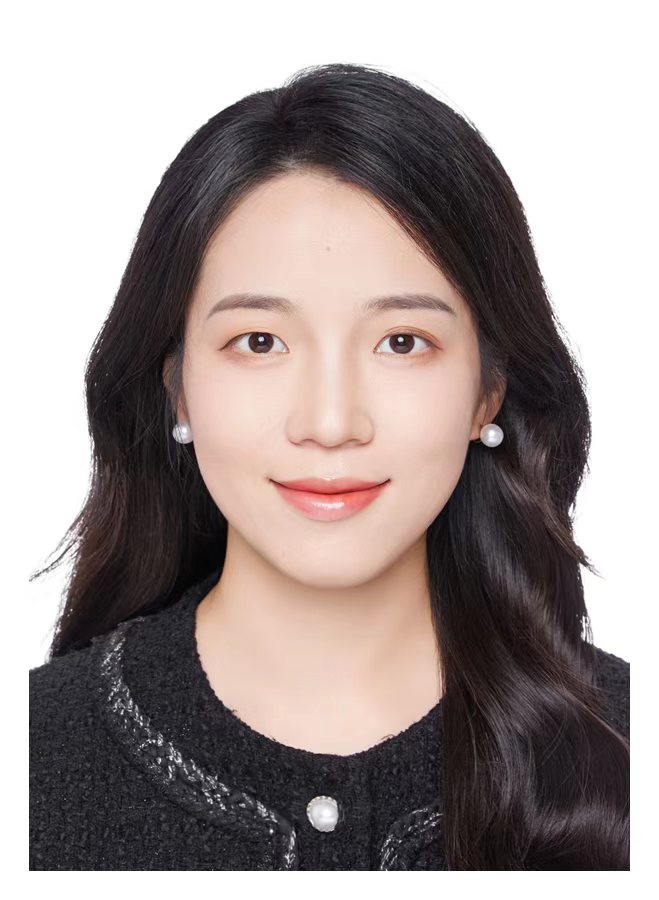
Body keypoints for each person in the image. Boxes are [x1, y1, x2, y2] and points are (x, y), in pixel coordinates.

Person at [29, 62, 629, 871]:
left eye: (402, 343)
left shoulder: (629, 744)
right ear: (177, 389)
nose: (330, 423)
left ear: (486, 392)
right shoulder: (31, 758)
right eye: (259, 342)